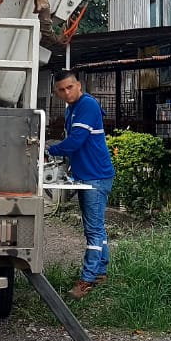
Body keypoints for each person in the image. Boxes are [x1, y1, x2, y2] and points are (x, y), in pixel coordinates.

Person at [46, 71, 115, 299]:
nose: (67, 92)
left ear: (79, 85)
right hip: (88, 175)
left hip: (96, 176)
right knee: (96, 227)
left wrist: (49, 149)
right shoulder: (72, 108)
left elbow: (75, 142)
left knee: (93, 230)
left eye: (70, 87)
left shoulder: (87, 105)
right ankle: (100, 272)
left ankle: (86, 280)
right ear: (56, 93)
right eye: (61, 90)